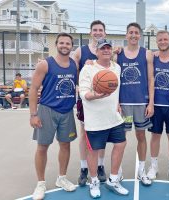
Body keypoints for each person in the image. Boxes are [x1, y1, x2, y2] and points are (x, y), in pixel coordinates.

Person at [29, 33, 78, 200]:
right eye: (62, 43)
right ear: (56, 44)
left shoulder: (74, 65)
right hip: (47, 110)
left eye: (68, 43)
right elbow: (33, 89)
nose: (65, 46)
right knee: (42, 147)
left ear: (72, 46)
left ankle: (61, 178)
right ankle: (40, 183)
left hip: (67, 112)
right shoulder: (45, 64)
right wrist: (33, 114)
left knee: (65, 145)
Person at [79, 39, 129, 198]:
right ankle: (93, 181)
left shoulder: (117, 67)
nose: (106, 50)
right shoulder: (88, 68)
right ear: (96, 51)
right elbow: (84, 93)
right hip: (95, 119)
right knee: (93, 151)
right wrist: (95, 95)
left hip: (114, 117)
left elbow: (117, 88)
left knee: (121, 144)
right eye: (103, 48)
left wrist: (119, 103)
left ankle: (113, 179)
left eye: (108, 48)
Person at [115, 22, 154, 186]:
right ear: (126, 35)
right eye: (130, 32)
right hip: (123, 104)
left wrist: (151, 103)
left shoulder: (147, 54)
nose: (133, 35)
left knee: (141, 136)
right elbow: (114, 80)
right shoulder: (118, 54)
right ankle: (118, 171)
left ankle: (142, 170)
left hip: (140, 103)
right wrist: (116, 102)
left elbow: (151, 79)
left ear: (140, 36)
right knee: (121, 138)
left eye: (136, 33)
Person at [72, 20, 107, 185]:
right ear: (90, 32)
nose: (98, 32)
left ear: (104, 33)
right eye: (95, 30)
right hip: (86, 99)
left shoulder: (108, 51)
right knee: (84, 133)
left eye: (100, 30)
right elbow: (70, 67)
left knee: (101, 133)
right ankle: (84, 167)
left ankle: (100, 165)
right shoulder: (81, 51)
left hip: (104, 99)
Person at [146, 30, 169, 182]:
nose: (162, 42)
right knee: (155, 136)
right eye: (160, 40)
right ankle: (154, 166)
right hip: (157, 105)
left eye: (165, 39)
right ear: (156, 41)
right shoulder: (152, 57)